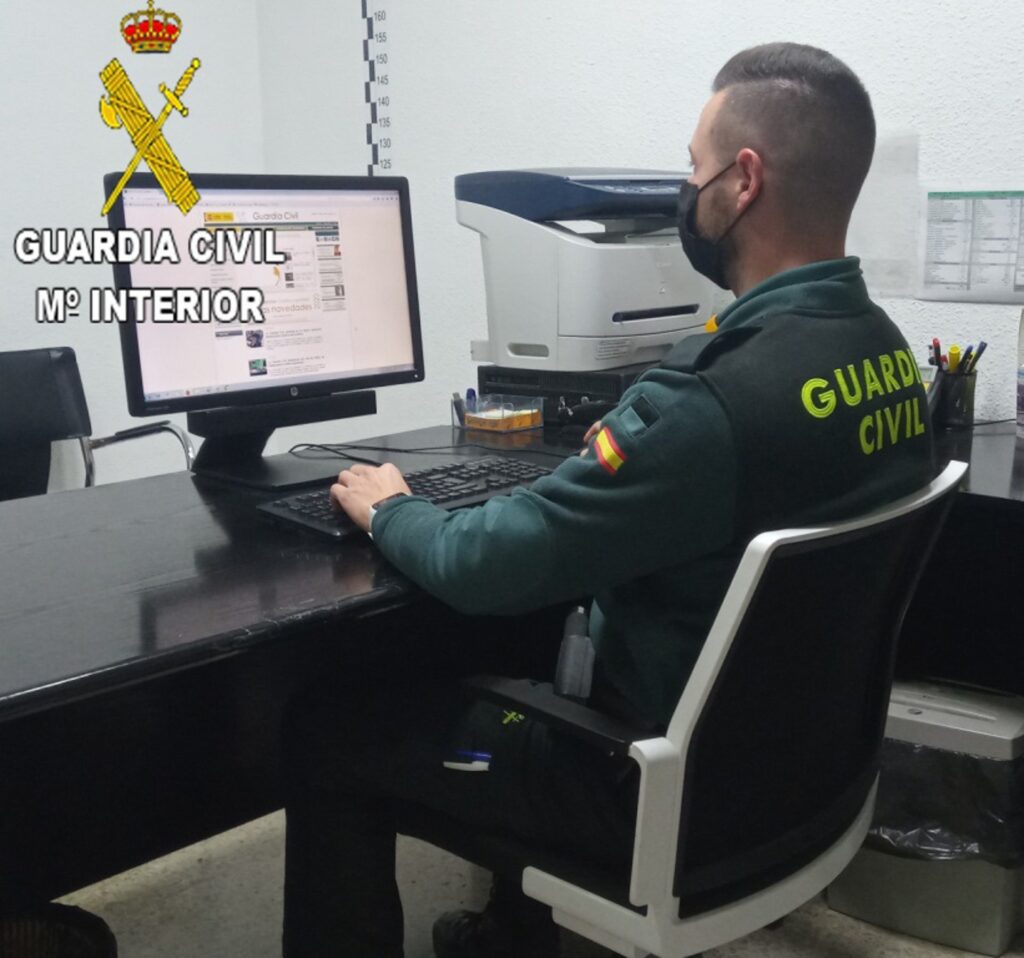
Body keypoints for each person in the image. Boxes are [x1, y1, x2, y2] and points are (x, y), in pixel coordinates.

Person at [282, 42, 935, 958]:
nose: (688, 192)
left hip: (642, 787)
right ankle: (513, 939)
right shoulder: (885, 351)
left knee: (329, 730)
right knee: (524, 648)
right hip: (797, 779)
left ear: (744, 182)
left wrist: (392, 507)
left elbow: (481, 565)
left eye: (694, 169)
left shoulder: (709, 398)